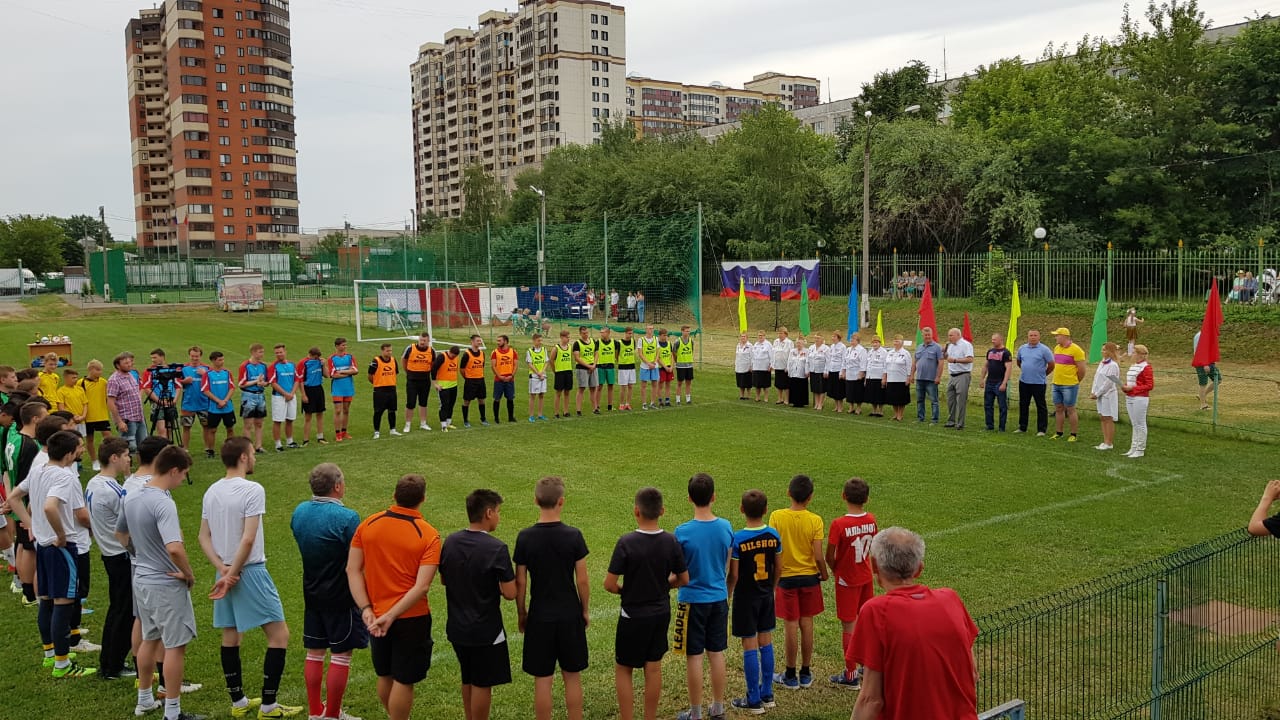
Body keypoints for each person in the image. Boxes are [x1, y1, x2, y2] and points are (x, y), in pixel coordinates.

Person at [198, 436, 301, 719]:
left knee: (231, 634)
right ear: (243, 457)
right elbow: (248, 538)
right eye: (253, 453)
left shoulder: (211, 491)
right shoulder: (253, 490)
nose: (254, 458)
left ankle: (239, 702)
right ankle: (269, 706)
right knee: (279, 635)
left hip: (225, 570)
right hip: (249, 570)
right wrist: (233, 573)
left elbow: (203, 537)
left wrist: (223, 570)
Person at [849, 527, 979, 720]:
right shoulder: (951, 599)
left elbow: (871, 700)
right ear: (919, 568)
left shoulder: (876, 611)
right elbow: (972, 673)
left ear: (874, 566)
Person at [114, 445, 200, 719]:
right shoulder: (163, 502)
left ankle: (144, 700)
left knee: (149, 639)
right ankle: (172, 712)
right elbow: (174, 547)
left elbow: (120, 534)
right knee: (175, 645)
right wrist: (188, 574)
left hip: (141, 578)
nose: (182, 480)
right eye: (183, 474)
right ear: (173, 471)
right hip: (164, 582)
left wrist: (139, 555)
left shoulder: (132, 495)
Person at [347, 474, 441, 720]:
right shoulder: (428, 534)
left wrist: (366, 609)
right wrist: (392, 615)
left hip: (376, 615)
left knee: (385, 674)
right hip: (411, 617)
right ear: (423, 499)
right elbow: (422, 587)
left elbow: (352, 569)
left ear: (394, 496)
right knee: (404, 679)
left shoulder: (368, 524)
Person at [11, 429, 96, 677]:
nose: (80, 452)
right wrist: (60, 534)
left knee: (47, 599)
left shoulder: (38, 470)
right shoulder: (66, 476)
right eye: (78, 449)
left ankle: (50, 654)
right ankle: (62, 664)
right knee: (63, 602)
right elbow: (50, 507)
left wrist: (31, 524)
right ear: (68, 454)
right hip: (60, 547)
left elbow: (15, 497)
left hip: (43, 546)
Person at [604, 487, 689, 720]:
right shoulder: (671, 541)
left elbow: (609, 584)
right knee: (653, 667)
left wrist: (625, 591)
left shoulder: (626, 542)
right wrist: (664, 586)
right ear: (662, 511)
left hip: (632, 615)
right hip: (660, 612)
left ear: (636, 511)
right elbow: (684, 579)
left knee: (624, 668)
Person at [290, 463, 366, 720]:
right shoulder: (348, 518)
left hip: (312, 592)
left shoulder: (300, 512)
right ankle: (332, 715)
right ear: (337, 486)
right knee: (341, 654)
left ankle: (315, 712)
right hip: (341, 595)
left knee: (315, 651)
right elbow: (359, 557)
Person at [514, 477, 591, 720]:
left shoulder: (525, 537)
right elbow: (582, 580)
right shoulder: (574, 536)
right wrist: (584, 610)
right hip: (569, 614)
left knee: (543, 680)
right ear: (561, 501)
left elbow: (521, 582)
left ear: (536, 501)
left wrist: (522, 612)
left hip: (540, 616)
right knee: (572, 677)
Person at [440, 490, 517, 720]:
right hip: (486, 630)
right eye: (498, 512)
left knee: (468, 677)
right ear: (488, 513)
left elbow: (444, 579)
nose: (499, 517)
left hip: (457, 627)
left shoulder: (451, 541)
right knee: (483, 682)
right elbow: (510, 593)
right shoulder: (496, 548)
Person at [673, 473, 735, 720]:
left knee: (694, 656)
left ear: (689, 498)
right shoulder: (726, 527)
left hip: (691, 601)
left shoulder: (682, 532)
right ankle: (718, 708)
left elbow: (677, 572)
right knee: (716, 653)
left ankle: (696, 713)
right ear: (714, 497)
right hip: (718, 598)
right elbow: (728, 563)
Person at [768, 474, 828, 690]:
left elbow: (773, 550)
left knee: (791, 625)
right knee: (807, 623)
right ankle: (805, 671)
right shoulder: (815, 520)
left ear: (788, 493)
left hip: (786, 578)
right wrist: (824, 573)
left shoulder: (776, 517)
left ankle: (790, 674)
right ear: (810, 497)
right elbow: (818, 555)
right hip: (809, 578)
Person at [84, 436, 135, 680]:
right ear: (114, 458)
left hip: (109, 553)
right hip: (120, 554)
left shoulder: (94, 483)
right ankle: (113, 664)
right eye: (125, 455)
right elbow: (129, 523)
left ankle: (110, 661)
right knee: (124, 611)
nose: (129, 459)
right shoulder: (112, 490)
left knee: (118, 609)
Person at [726, 490, 781, 714]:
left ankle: (753, 699)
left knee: (749, 644)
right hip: (765, 594)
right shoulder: (773, 535)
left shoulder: (738, 538)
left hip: (746, 598)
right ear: (766, 510)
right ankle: (767, 692)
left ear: (742, 509)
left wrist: (729, 594)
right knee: (765, 641)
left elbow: (734, 574)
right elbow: (779, 567)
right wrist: (772, 588)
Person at [826, 478, 878, 689]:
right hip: (865, 576)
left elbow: (829, 554)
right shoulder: (871, 519)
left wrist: (835, 569)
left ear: (843, 496)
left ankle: (850, 675)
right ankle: (867, 665)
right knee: (865, 622)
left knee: (849, 625)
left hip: (847, 579)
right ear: (867, 499)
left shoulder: (839, 524)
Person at [1050, 327, 1087, 442]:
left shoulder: (1076, 350)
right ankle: (1059, 432)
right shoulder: (1056, 348)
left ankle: (1073, 434)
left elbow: (1082, 370)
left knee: (1070, 409)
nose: (1055, 337)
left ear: (1064, 336)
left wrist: (1075, 381)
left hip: (1069, 385)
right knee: (1058, 408)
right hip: (1056, 383)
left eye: (1057, 335)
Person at [1015, 330, 1055, 436]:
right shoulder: (1022, 348)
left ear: (1039, 337)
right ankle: (1022, 427)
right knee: (1023, 404)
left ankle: (1041, 429)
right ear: (1028, 337)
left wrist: (1043, 374)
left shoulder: (1044, 349)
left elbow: (1051, 364)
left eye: (1035, 335)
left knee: (1040, 406)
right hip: (1024, 381)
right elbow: (1018, 362)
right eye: (1031, 335)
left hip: (1038, 383)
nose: (1033, 337)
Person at [200, 351, 238, 458]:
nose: (222, 362)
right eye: (219, 360)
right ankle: (211, 450)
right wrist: (218, 401)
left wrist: (225, 401)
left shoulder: (227, 373)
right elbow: (205, 390)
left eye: (222, 359)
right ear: (213, 361)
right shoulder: (208, 374)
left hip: (227, 407)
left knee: (230, 428)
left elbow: (232, 387)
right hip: (214, 408)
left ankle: (230, 449)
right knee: (212, 429)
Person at [107, 351, 147, 452]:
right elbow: (110, 402)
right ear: (118, 365)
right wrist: (119, 422)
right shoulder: (114, 380)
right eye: (126, 363)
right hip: (127, 420)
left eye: (130, 362)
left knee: (143, 448)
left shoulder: (131, 375)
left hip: (139, 417)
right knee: (129, 449)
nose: (129, 365)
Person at [77, 359, 112, 471]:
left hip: (102, 415)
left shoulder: (103, 382)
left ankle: (107, 458)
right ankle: (94, 461)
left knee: (108, 438)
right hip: (88, 417)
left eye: (101, 370)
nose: (100, 372)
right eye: (98, 370)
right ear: (91, 370)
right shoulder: (81, 383)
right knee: (90, 440)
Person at [1121, 345, 1154, 459]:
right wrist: (1125, 387)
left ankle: (1140, 449)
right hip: (1130, 396)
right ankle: (1134, 447)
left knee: (1140, 423)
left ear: (1141, 355)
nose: (1132, 355)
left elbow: (1149, 385)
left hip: (1140, 398)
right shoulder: (1133, 366)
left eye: (1134, 352)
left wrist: (1133, 389)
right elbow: (1130, 381)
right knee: (1134, 423)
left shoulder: (1146, 367)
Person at [267, 344, 301, 452]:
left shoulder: (292, 365)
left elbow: (297, 380)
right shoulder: (273, 367)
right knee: (278, 420)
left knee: (290, 419)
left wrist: (292, 393)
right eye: (276, 353)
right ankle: (278, 444)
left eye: (280, 352)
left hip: (291, 396)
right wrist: (285, 394)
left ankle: (290, 441)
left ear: (285, 352)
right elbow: (273, 383)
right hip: (279, 397)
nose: (279, 354)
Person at [399, 332, 434, 434]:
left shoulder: (431, 351)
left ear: (428, 341)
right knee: (410, 403)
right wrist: (408, 372)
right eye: (421, 340)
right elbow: (404, 360)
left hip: (425, 381)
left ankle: (423, 423)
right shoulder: (410, 348)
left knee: (423, 402)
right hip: (412, 381)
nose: (422, 342)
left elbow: (433, 364)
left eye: (424, 341)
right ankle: (407, 424)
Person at [237, 344, 270, 454]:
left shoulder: (263, 366)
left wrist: (263, 383)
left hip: (260, 395)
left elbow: (267, 382)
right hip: (249, 396)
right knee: (248, 424)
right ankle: (248, 448)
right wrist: (256, 382)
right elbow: (241, 384)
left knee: (259, 423)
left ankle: (258, 446)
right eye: (260, 352)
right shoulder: (245, 366)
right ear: (253, 353)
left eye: (262, 352)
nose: (262, 354)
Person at [1089, 342, 1122, 451]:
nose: (1102, 351)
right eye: (1102, 349)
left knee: (1108, 418)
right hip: (1100, 395)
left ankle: (1109, 442)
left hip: (1108, 395)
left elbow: (1109, 382)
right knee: (1103, 417)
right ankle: (1105, 441)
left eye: (1104, 350)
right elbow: (1096, 378)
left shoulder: (1113, 365)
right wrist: (1093, 391)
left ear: (1110, 352)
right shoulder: (1102, 362)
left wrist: (1097, 393)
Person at [177, 346, 209, 452]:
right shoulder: (183, 369)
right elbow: (175, 383)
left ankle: (208, 448)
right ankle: (185, 449)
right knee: (186, 427)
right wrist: (184, 381)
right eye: (192, 356)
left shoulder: (207, 369)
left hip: (204, 403)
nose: (195, 358)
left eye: (197, 356)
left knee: (206, 426)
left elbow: (213, 382)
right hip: (188, 403)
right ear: (189, 356)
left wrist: (205, 375)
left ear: (200, 356)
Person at [327, 338, 359, 443]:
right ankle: (338, 434)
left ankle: (344, 432)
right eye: (343, 345)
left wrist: (341, 372)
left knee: (346, 410)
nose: (345, 347)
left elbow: (356, 371)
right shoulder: (331, 358)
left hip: (348, 387)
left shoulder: (350, 357)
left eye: (345, 345)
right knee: (338, 410)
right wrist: (348, 372)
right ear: (337, 346)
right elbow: (333, 375)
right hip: (337, 388)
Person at [910, 328, 944, 424]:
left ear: (932, 335)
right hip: (920, 378)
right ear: (922, 336)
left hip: (931, 379)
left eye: (929, 335)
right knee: (920, 400)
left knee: (934, 400)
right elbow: (914, 362)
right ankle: (920, 418)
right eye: (925, 335)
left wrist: (938, 377)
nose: (927, 336)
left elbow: (941, 363)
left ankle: (934, 419)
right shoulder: (919, 347)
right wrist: (912, 375)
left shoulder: (937, 347)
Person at [943, 328, 974, 430]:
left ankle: (960, 423)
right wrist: (945, 350)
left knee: (961, 400)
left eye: (951, 335)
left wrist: (955, 360)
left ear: (958, 335)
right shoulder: (950, 345)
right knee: (950, 399)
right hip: (952, 375)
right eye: (948, 335)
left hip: (962, 375)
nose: (949, 337)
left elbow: (970, 359)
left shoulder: (966, 345)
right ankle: (951, 420)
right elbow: (946, 357)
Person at [981, 334, 1013, 432]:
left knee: (1002, 406)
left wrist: (1004, 383)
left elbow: (1008, 369)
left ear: (1001, 340)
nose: (993, 341)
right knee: (988, 405)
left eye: (995, 339)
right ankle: (989, 425)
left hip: (999, 382)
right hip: (989, 381)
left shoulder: (1006, 353)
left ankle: (1001, 427)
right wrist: (982, 379)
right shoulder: (990, 352)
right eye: (992, 339)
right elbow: (986, 366)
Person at [368, 343, 401, 439]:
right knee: (378, 411)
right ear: (382, 351)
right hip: (380, 390)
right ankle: (376, 432)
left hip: (391, 389)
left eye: (391, 350)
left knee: (392, 410)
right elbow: (370, 375)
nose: (389, 352)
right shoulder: (375, 361)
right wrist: (377, 383)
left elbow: (395, 373)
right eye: (387, 351)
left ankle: (393, 429)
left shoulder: (393, 360)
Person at [297, 347, 329, 446]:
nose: (316, 359)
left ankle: (320, 437)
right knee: (308, 416)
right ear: (310, 355)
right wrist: (303, 394)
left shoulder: (320, 361)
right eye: (315, 357)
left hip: (318, 389)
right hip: (308, 390)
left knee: (320, 414)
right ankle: (305, 440)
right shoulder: (303, 363)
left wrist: (324, 365)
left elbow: (327, 375)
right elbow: (300, 380)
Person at [460, 335, 490, 428]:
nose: (479, 342)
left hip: (480, 380)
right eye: (477, 341)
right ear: (472, 342)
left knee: (481, 400)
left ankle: (483, 419)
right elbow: (462, 369)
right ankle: (465, 421)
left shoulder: (482, 353)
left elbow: (482, 366)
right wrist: (467, 377)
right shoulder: (467, 354)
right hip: (470, 381)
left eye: (480, 341)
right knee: (467, 401)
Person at [571, 326, 600, 417]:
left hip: (593, 367)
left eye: (587, 333)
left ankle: (595, 408)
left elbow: (596, 353)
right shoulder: (577, 343)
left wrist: (594, 364)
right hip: (582, 368)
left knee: (593, 388)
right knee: (581, 388)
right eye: (584, 333)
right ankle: (578, 410)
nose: (586, 334)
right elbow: (577, 358)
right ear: (580, 334)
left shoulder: (593, 341)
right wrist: (588, 366)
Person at [432, 345, 462, 432]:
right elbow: (433, 369)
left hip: (453, 385)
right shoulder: (442, 357)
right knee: (444, 405)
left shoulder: (456, 358)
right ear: (450, 351)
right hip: (443, 386)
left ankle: (448, 423)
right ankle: (443, 425)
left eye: (455, 356)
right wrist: (435, 383)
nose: (453, 357)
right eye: (452, 355)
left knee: (451, 404)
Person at [490, 334, 519, 423]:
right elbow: (493, 366)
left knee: (510, 398)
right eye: (497, 341)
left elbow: (516, 365)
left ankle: (511, 417)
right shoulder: (495, 352)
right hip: (499, 380)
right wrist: (499, 376)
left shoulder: (513, 352)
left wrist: (511, 376)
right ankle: (496, 419)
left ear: (505, 341)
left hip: (510, 379)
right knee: (497, 399)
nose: (498, 342)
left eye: (500, 341)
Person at [883, 335, 912, 422]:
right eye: (895, 341)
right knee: (893, 398)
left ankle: (900, 414)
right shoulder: (890, 353)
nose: (896, 343)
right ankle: (895, 414)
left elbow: (909, 366)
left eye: (898, 341)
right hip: (891, 379)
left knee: (901, 398)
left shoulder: (905, 353)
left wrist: (908, 377)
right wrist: (884, 377)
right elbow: (885, 366)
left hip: (901, 379)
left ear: (902, 342)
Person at [1192, 330, 1219, 411]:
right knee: (1203, 384)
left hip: (1210, 362)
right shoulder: (1200, 335)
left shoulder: (1208, 334)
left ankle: (1201, 396)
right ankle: (1203, 405)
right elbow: (1199, 351)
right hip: (1202, 363)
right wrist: (1205, 364)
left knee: (1218, 379)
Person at [57, 367, 87, 438]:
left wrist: (83, 416)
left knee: (81, 440)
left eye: (76, 377)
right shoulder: (61, 391)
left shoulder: (80, 389)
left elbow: (85, 404)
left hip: (81, 420)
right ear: (66, 378)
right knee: (71, 439)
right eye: (73, 378)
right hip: (70, 422)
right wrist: (72, 418)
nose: (76, 380)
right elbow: (61, 408)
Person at [526, 333, 550, 422]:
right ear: (534, 341)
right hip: (534, 376)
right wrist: (538, 373)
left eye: (541, 340)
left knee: (541, 395)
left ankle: (540, 414)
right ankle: (531, 415)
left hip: (542, 376)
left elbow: (546, 362)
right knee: (533, 396)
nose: (540, 342)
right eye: (538, 340)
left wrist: (542, 372)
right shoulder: (529, 351)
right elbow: (530, 364)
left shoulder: (544, 350)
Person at [552, 330, 575, 418]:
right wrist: (555, 370)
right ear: (562, 337)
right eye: (567, 337)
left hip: (568, 371)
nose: (568, 339)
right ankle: (556, 412)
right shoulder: (556, 348)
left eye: (569, 337)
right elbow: (551, 360)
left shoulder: (569, 347)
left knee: (567, 392)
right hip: (560, 372)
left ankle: (566, 411)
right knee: (558, 392)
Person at [863, 336, 888, 418]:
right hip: (870, 376)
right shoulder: (870, 352)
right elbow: (868, 365)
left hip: (879, 376)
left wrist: (884, 377)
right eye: (873, 342)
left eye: (876, 342)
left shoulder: (884, 352)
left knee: (879, 394)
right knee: (872, 394)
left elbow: (885, 366)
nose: (874, 344)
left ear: (880, 343)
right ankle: (874, 410)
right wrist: (866, 378)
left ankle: (880, 411)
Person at [842, 333, 867, 415]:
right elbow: (844, 361)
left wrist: (861, 373)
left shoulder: (861, 350)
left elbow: (863, 363)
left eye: (853, 339)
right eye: (851, 339)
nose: (851, 341)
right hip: (849, 374)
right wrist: (843, 372)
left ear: (858, 341)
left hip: (857, 374)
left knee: (858, 391)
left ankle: (858, 408)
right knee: (849, 391)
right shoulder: (848, 349)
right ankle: (851, 407)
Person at [596, 327, 619, 412]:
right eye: (601, 332)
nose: (601, 334)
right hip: (600, 367)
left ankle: (610, 406)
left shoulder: (615, 342)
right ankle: (597, 406)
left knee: (610, 386)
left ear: (608, 333)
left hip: (610, 367)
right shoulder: (597, 342)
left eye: (603, 332)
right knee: (599, 386)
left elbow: (617, 353)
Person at [637, 325, 660, 410]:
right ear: (646, 330)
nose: (651, 330)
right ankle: (644, 403)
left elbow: (658, 352)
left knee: (655, 384)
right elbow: (640, 354)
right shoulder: (641, 340)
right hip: (645, 366)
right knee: (644, 385)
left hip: (654, 366)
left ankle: (652, 403)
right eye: (649, 328)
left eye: (652, 328)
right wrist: (648, 363)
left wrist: (654, 362)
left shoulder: (656, 339)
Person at [616, 326, 638, 411]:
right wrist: (620, 361)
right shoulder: (619, 343)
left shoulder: (633, 341)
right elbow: (616, 355)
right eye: (629, 333)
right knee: (623, 387)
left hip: (631, 366)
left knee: (630, 386)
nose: (630, 335)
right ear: (625, 333)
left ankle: (627, 404)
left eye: (631, 333)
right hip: (623, 367)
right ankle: (621, 404)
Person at [826, 331, 847, 414]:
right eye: (832, 336)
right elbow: (829, 359)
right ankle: (836, 406)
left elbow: (844, 360)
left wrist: (842, 372)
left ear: (838, 338)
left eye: (834, 336)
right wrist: (828, 370)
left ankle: (840, 406)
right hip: (832, 369)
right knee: (833, 389)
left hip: (838, 370)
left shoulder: (843, 347)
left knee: (839, 389)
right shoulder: (832, 346)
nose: (832, 338)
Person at [769, 328, 792, 405]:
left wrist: (788, 366)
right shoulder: (776, 341)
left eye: (781, 333)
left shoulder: (789, 342)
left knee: (786, 384)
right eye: (779, 333)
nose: (780, 335)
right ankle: (780, 398)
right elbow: (773, 354)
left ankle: (786, 399)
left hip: (785, 366)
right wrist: (772, 364)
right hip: (777, 365)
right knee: (778, 383)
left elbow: (791, 355)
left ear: (785, 334)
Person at [674, 326, 696, 406]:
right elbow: (674, 352)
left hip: (689, 365)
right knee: (679, 383)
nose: (688, 333)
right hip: (681, 366)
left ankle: (688, 399)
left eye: (689, 331)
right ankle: (678, 400)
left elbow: (691, 351)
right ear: (682, 331)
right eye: (686, 331)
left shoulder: (691, 341)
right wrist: (677, 361)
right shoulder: (677, 341)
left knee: (688, 382)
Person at [806, 334, 827, 411]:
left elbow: (828, 361)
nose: (816, 340)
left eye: (818, 338)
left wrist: (826, 371)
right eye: (815, 338)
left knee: (821, 388)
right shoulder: (811, 347)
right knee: (815, 388)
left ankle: (820, 404)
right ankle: (816, 403)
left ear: (822, 339)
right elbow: (808, 360)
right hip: (813, 370)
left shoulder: (826, 348)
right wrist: (807, 370)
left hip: (821, 371)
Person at [787, 338, 809, 409]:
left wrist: (807, 371)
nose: (798, 344)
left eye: (800, 343)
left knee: (801, 387)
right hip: (793, 372)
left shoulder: (806, 351)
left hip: (802, 372)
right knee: (794, 387)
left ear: (803, 344)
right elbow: (789, 361)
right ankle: (794, 402)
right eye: (797, 343)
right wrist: (788, 369)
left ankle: (801, 402)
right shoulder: (792, 351)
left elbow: (807, 362)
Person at [656, 329, 676, 408]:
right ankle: (660, 401)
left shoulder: (669, 344)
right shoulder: (657, 345)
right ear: (660, 336)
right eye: (664, 335)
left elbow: (671, 356)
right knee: (660, 385)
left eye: (666, 335)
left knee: (668, 384)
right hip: (661, 367)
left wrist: (671, 366)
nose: (665, 337)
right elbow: (657, 358)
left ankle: (667, 401)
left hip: (669, 367)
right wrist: (664, 367)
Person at [734, 333, 753, 400]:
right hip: (739, 366)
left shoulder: (750, 345)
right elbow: (737, 356)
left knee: (747, 382)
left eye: (744, 336)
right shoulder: (738, 345)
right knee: (740, 382)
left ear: (747, 337)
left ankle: (748, 396)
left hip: (747, 367)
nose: (743, 338)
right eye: (741, 336)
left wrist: (751, 366)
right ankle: (742, 395)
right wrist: (735, 364)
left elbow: (752, 356)